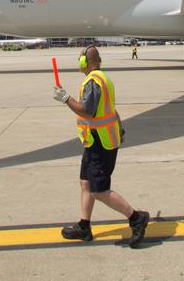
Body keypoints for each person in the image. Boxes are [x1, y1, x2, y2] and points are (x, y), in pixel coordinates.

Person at [53, 45, 150, 247]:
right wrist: (120, 129)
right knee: (85, 183)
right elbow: (111, 110)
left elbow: (87, 111)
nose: (79, 62)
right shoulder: (102, 78)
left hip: (101, 143)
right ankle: (84, 226)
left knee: (99, 190)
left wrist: (65, 98)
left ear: (86, 62)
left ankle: (136, 218)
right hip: (94, 140)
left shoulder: (93, 82)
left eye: (80, 59)